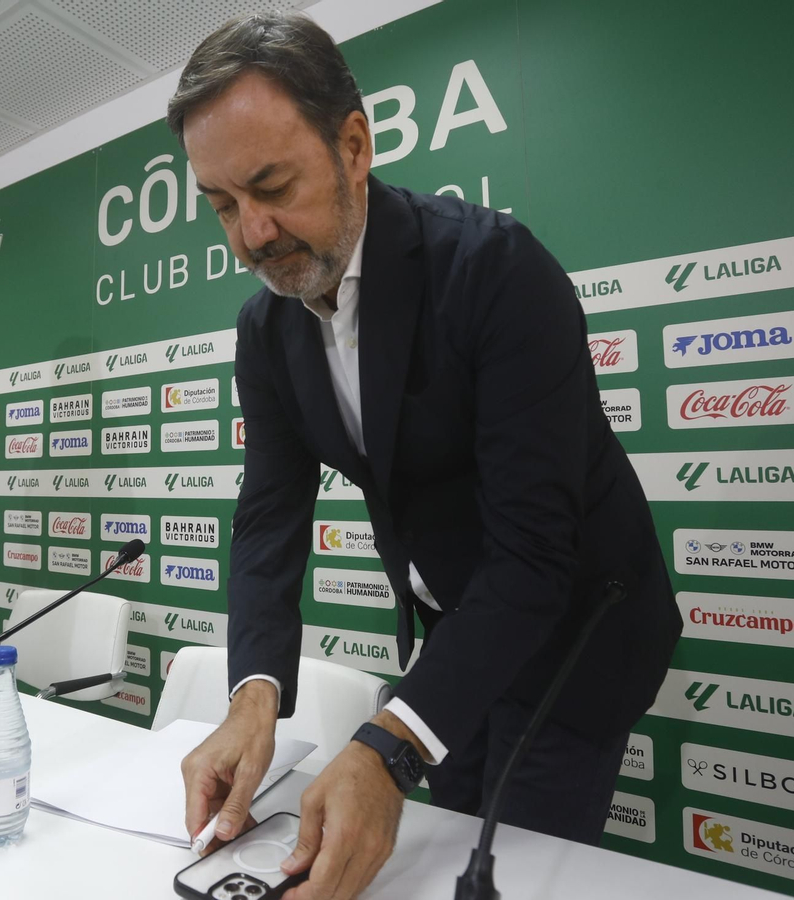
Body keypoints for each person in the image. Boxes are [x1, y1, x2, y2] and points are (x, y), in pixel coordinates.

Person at [171, 14, 680, 900]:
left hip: (575, 635)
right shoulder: (264, 331)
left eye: (272, 186)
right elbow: (267, 518)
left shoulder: (498, 272)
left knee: (503, 872)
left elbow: (534, 552)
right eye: (222, 203)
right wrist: (253, 691)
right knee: (434, 852)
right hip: (455, 636)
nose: (252, 234)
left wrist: (390, 747)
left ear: (355, 145)